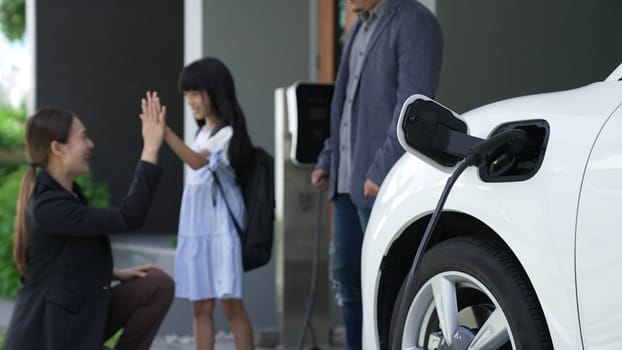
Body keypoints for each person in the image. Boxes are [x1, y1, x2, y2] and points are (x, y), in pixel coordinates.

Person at [310, 0, 443, 348]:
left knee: (387, 284)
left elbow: (413, 105)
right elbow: (345, 107)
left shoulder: (415, 23)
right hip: (346, 182)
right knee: (347, 279)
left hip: (380, 183)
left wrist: (384, 168)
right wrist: (328, 158)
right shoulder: (357, 27)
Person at [2, 93, 174, 350]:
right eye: (83, 136)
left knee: (156, 285)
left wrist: (115, 273)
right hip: (49, 337)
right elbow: (130, 216)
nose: (91, 144)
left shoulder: (65, 196)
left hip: (73, 319)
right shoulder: (49, 207)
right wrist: (150, 148)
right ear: (57, 148)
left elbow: (63, 258)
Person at [163, 57, 255, 350]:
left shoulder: (226, 134)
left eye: (195, 93)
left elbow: (196, 163)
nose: (190, 101)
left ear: (215, 91)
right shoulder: (201, 132)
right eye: (187, 95)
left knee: (231, 306)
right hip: (198, 230)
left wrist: (163, 131)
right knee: (200, 307)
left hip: (220, 231)